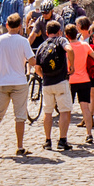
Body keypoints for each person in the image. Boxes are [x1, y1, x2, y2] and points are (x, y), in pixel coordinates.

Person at [0, 13, 36, 158]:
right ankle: (20, 146)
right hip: (19, 82)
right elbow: (32, 61)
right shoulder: (23, 42)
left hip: (2, 82)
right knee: (20, 116)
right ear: (20, 26)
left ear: (7, 25)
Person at [35, 20, 76, 150]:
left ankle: (47, 141)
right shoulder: (61, 40)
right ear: (60, 31)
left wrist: (44, 76)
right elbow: (69, 49)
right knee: (65, 111)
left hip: (47, 83)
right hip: (61, 81)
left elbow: (37, 68)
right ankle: (62, 140)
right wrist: (72, 65)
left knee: (48, 112)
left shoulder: (42, 46)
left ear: (46, 33)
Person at [67, 16, 94, 144]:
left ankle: (64, 136)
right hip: (85, 79)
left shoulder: (67, 48)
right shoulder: (85, 45)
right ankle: (89, 133)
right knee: (85, 108)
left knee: (67, 109)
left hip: (71, 80)